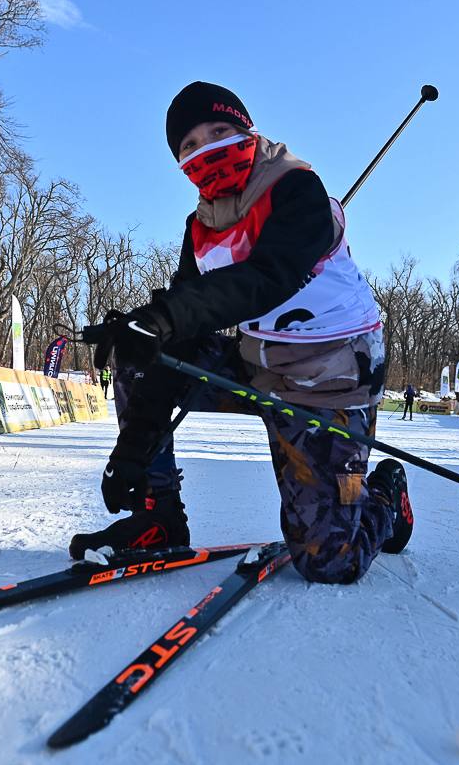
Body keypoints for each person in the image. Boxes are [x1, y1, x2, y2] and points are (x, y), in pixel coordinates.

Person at [74, 81, 414, 585]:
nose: (206, 148)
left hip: (331, 376)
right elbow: (184, 332)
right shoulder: (200, 226)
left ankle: (384, 494)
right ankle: (160, 517)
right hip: (258, 365)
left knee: (330, 564)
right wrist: (135, 448)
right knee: (142, 351)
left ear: (247, 129)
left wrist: (166, 316)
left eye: (219, 131)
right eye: (189, 145)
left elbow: (268, 277)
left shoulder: (299, 190)